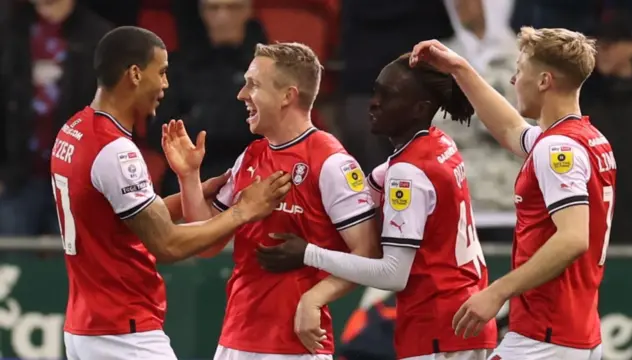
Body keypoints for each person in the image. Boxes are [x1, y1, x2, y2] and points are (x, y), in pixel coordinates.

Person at [50, 26, 291, 360]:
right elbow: (166, 243)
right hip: (124, 331)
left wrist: (192, 189)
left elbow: (116, 220)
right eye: (161, 73)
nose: (165, 85)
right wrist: (243, 211)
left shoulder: (75, 128)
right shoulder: (116, 151)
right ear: (135, 74)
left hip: (86, 328)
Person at [256, 53, 498, 360]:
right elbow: (369, 190)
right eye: (376, 92)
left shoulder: (406, 173)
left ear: (419, 109)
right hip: (464, 320)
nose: (374, 103)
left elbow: (392, 274)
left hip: (439, 328)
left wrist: (307, 252)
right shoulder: (438, 144)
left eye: (389, 96)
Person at [161, 42, 380, 360]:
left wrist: (315, 298)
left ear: (287, 96)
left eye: (254, 85)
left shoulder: (331, 162)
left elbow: (368, 253)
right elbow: (206, 243)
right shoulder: (251, 155)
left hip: (296, 346)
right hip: (237, 338)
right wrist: (189, 177)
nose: (242, 95)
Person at [410, 27, 615, 359]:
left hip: (546, 336)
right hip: (574, 332)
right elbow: (510, 129)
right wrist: (460, 69)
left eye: (518, 71)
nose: (512, 80)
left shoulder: (556, 149)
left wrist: (497, 292)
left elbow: (573, 238)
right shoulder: (587, 139)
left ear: (544, 81)